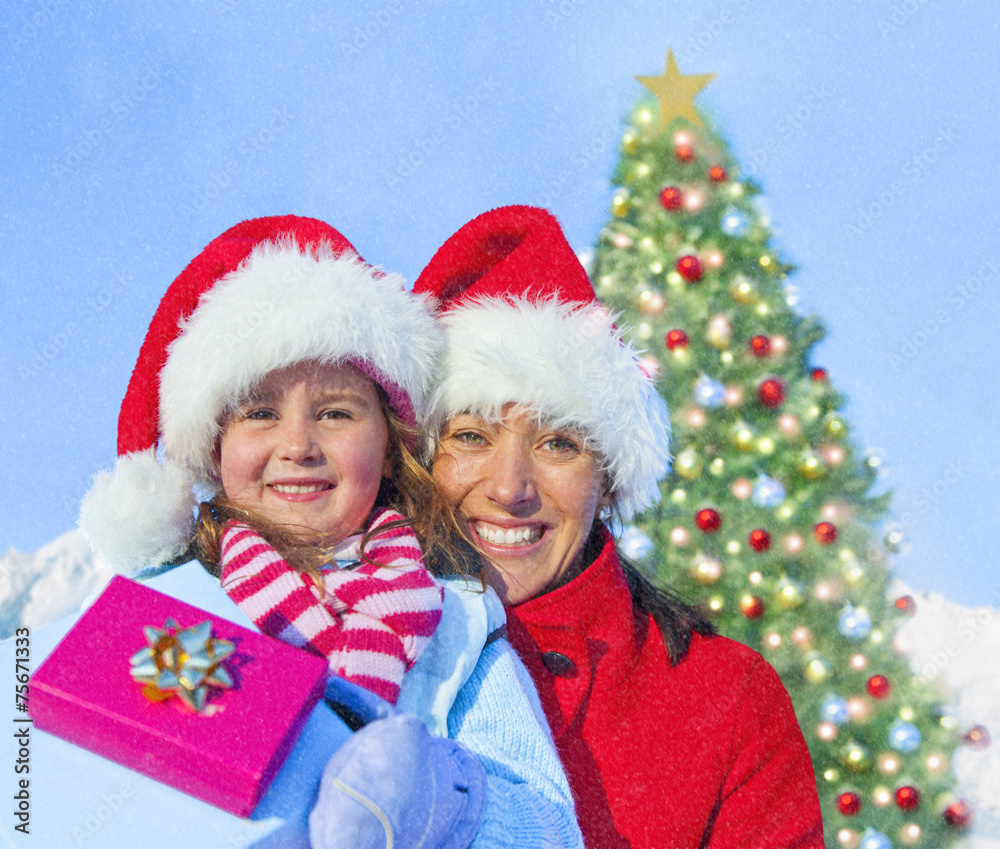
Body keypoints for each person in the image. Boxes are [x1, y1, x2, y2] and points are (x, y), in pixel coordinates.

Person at [80, 215, 584, 849]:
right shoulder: (155, 604)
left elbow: (550, 828)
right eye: (259, 412)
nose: (297, 445)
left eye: (336, 413)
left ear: (390, 443)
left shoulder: (454, 625)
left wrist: (443, 803)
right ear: (213, 445)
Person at [413, 205, 825, 849]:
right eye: (470, 436)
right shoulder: (344, 637)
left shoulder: (725, 696)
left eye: (558, 444)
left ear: (606, 479)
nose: (509, 487)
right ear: (420, 458)